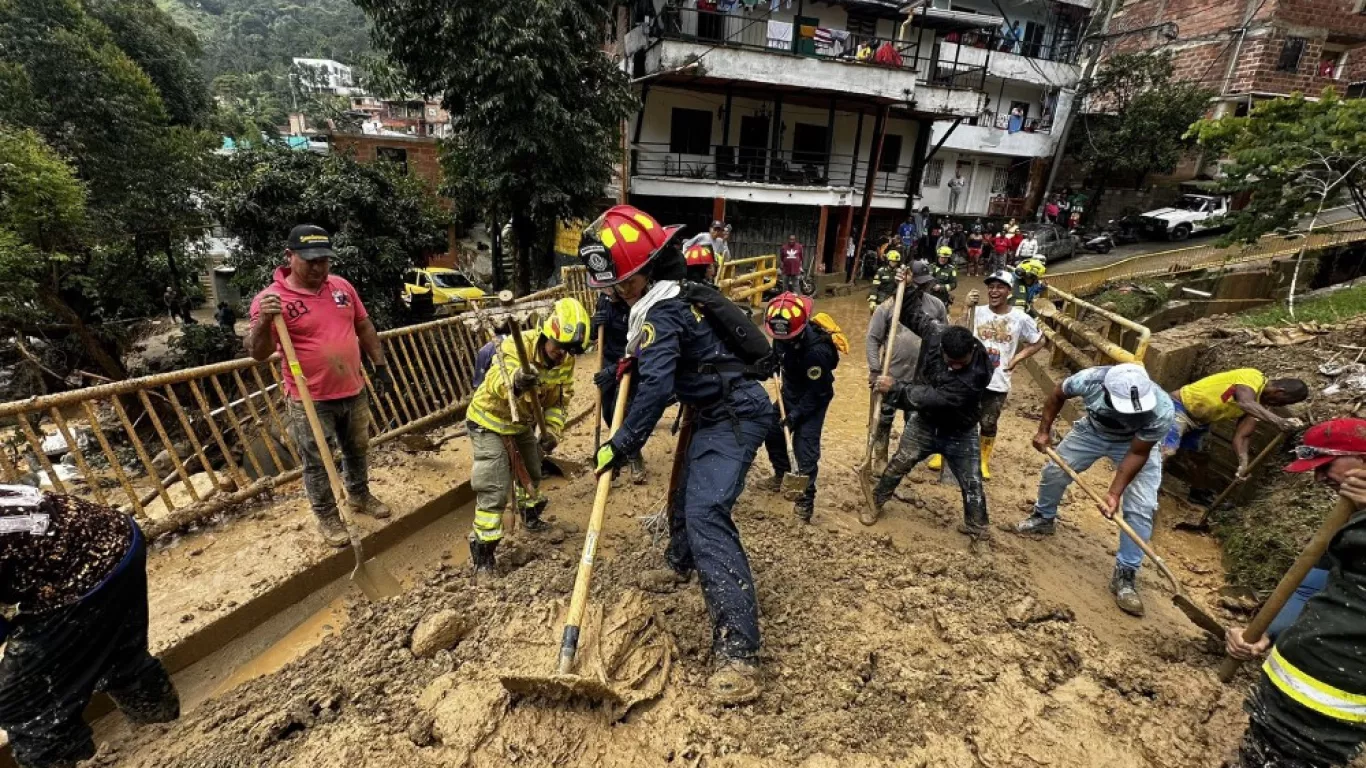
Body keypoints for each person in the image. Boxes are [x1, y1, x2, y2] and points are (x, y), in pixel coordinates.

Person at [581, 204, 776, 705]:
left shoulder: (664, 309)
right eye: (617, 287)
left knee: (706, 510)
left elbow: (659, 385)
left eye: (626, 284)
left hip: (735, 413)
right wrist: (618, 371)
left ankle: (739, 652)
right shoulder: (668, 303)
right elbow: (662, 368)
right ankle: (679, 560)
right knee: (684, 491)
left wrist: (621, 445)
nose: (622, 295)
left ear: (648, 271)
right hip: (710, 410)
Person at [0, 487, 180, 768]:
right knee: (118, 660)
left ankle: (70, 760)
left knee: (25, 705)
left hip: (82, 573)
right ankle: (171, 739)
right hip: (118, 538)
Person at [1222, 418, 1366, 768]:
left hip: (1338, 700)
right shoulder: (1348, 518)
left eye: (1325, 466)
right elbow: (1308, 585)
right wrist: (1262, 631)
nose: (1318, 479)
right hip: (1288, 685)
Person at [246, 224, 395, 547]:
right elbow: (258, 355)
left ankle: (358, 494)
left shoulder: (341, 287)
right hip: (309, 397)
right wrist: (263, 324)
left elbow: (364, 325)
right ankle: (327, 515)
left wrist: (380, 366)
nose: (318, 268)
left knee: (357, 448)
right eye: (310, 261)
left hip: (353, 388)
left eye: (324, 261)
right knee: (317, 459)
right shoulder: (271, 300)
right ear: (290, 257)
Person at [1013, 363, 1175, 616]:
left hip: (1134, 445)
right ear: (1106, 391)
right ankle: (1043, 517)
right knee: (1054, 473)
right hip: (1092, 432)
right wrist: (1043, 431)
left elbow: (1138, 452)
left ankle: (1126, 574)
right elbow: (1057, 395)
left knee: (1141, 507)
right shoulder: (1088, 380)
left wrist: (1114, 493)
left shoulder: (1162, 409)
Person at [865, 263, 993, 540]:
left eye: (960, 364)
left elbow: (931, 397)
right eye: (949, 361)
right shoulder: (937, 334)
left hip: (960, 429)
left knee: (972, 480)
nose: (954, 367)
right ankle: (875, 502)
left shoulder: (978, 371)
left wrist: (894, 388)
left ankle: (977, 526)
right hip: (925, 424)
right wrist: (908, 287)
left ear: (971, 351)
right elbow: (911, 314)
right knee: (899, 463)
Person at [465, 297, 589, 581]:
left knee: (532, 473)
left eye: (569, 349)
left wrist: (552, 432)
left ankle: (531, 520)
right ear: (546, 333)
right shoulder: (514, 347)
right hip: (489, 420)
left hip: (521, 423)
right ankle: (483, 554)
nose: (562, 354)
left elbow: (560, 399)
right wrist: (517, 382)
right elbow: (497, 383)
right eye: (559, 346)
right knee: (494, 486)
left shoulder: (564, 362)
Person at [1163, 369, 1308, 504]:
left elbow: (1242, 436)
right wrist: (1279, 421)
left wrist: (1243, 463)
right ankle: (1144, 485)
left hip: (1200, 421)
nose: (1277, 405)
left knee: (1200, 457)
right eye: (1282, 402)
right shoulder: (1253, 377)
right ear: (1279, 392)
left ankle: (1197, 493)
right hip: (1178, 406)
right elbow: (1245, 402)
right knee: (1167, 450)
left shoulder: (1259, 406)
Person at [759, 293, 841, 522]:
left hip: (813, 399)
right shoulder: (782, 332)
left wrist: (795, 416)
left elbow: (818, 392)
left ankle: (805, 503)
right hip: (791, 392)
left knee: (805, 451)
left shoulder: (817, 352)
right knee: (773, 432)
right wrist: (773, 362)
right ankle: (782, 474)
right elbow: (778, 355)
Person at [964, 272, 1046, 479]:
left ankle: (982, 460)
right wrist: (966, 307)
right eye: (991, 286)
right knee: (959, 415)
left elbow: (1040, 341)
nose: (994, 291)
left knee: (988, 421)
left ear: (1009, 291)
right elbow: (957, 331)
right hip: (970, 376)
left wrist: (1018, 358)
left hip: (998, 379)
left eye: (1000, 287)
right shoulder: (977, 311)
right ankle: (946, 453)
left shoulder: (1020, 318)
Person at [867, 263, 947, 470]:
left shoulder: (936, 306)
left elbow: (944, 337)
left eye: (925, 284)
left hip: (920, 378)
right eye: (917, 284)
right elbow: (873, 339)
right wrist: (875, 369)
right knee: (883, 419)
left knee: (914, 422)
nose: (922, 288)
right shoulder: (886, 307)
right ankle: (880, 457)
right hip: (890, 374)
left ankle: (904, 462)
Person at [591, 292, 646, 484]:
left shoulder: (638, 303)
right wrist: (594, 324)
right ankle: (619, 449)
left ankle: (633, 455)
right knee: (607, 411)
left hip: (631, 363)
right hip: (607, 361)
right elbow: (592, 337)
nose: (608, 293)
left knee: (622, 411)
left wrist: (616, 369)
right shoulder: (603, 300)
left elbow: (642, 346)